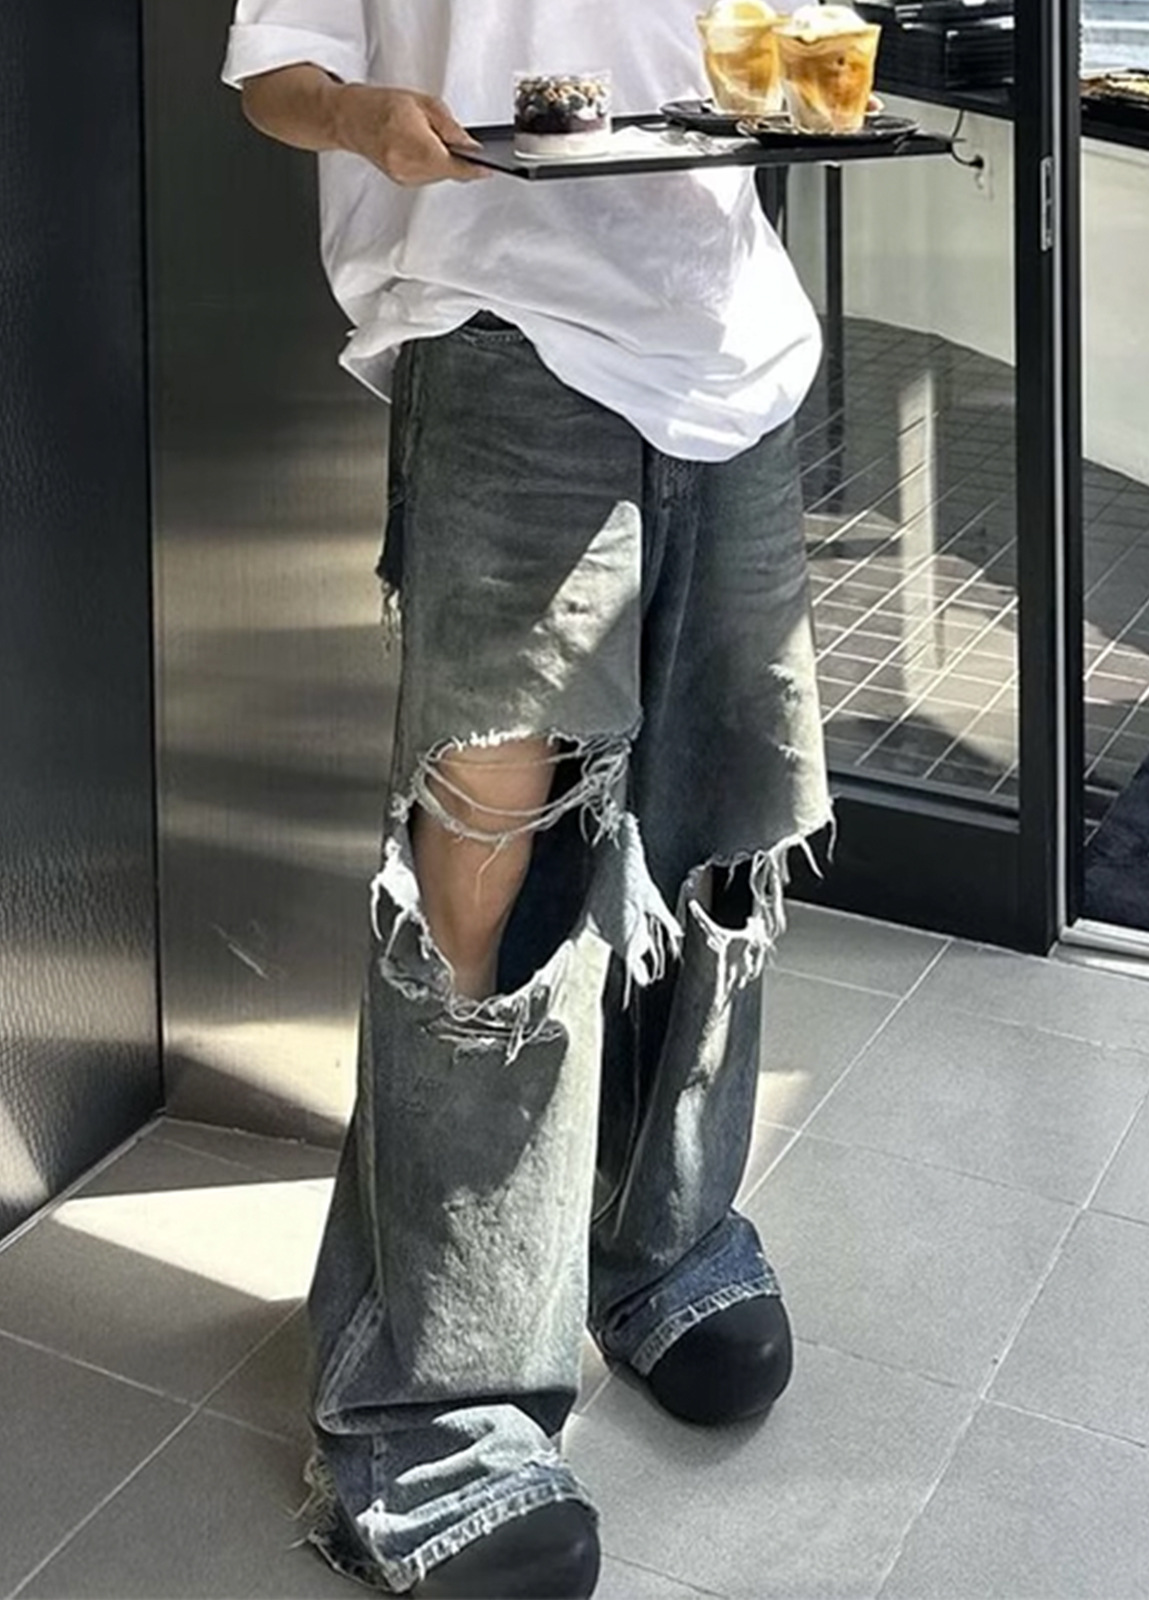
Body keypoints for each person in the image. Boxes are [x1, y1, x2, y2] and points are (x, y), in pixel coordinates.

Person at [223, 3, 831, 1595]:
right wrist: (365, 122)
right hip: (502, 339)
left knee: (720, 824)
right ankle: (432, 1404)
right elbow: (276, 74)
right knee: (484, 877)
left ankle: (667, 1242)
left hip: (734, 346)